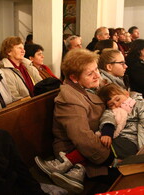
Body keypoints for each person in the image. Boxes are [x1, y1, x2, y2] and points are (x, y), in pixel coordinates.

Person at [35, 49, 120, 194]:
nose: (97, 76)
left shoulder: (89, 87)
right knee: (126, 176)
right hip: (75, 154)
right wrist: (110, 159)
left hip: (96, 146)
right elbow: (83, 138)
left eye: (96, 70)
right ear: (74, 78)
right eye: (90, 73)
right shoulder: (69, 98)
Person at [97, 83, 144, 159]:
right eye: (111, 105)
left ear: (126, 94)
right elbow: (107, 117)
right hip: (119, 137)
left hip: (134, 140)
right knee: (98, 144)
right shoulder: (113, 111)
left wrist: (141, 147)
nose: (116, 104)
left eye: (118, 99)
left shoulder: (138, 104)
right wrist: (107, 133)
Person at [0, 36, 42, 101]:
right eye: (19, 48)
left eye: (23, 48)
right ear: (9, 51)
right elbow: (15, 98)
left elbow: (42, 87)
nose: (23, 51)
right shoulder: (4, 72)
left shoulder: (30, 67)